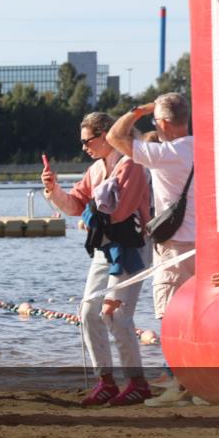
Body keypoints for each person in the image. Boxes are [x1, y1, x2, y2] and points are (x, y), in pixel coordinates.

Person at [43, 111, 153, 407]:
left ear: (106, 135)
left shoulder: (132, 163)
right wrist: (54, 190)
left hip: (132, 247)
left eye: (87, 140)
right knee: (89, 311)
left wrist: (91, 213)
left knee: (114, 314)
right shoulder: (95, 170)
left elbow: (120, 210)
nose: (84, 147)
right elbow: (75, 205)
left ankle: (137, 382)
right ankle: (105, 380)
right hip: (106, 248)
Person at [107, 93, 196, 405]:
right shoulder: (202, 146)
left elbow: (114, 137)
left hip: (174, 246)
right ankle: (198, 384)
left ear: (163, 123)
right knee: (197, 316)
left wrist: (137, 111)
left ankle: (178, 386)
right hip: (203, 245)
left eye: (156, 119)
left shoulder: (167, 152)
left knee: (170, 317)